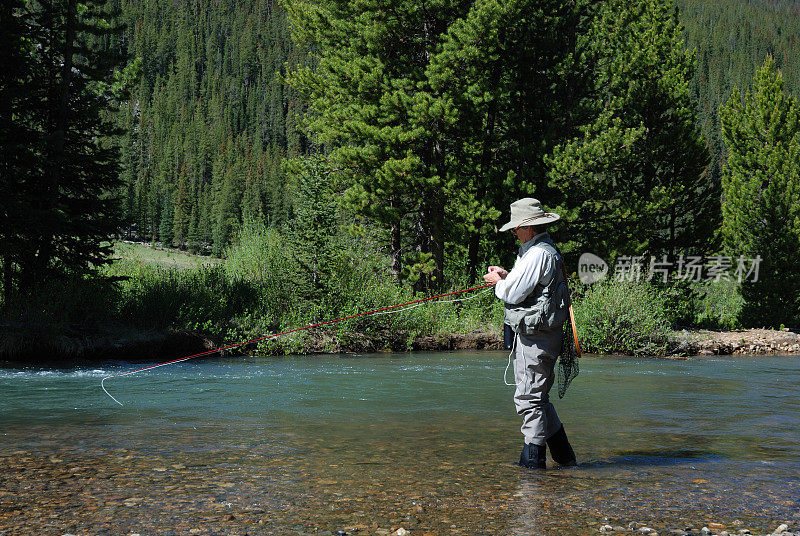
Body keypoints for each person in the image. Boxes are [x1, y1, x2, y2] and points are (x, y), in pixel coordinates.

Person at [483, 197, 577, 469]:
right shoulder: (542, 250)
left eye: (516, 228)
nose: (513, 232)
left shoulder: (537, 254)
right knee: (539, 398)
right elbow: (530, 285)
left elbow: (512, 293)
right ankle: (566, 461)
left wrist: (498, 282)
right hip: (545, 336)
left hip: (536, 340)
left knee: (528, 400)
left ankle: (532, 469)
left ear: (528, 227)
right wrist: (507, 273)